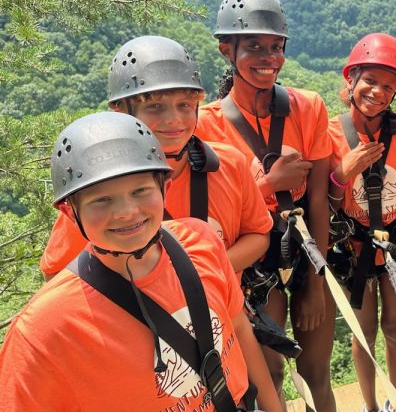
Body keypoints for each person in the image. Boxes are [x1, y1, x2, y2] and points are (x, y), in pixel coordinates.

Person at [0, 112, 279, 411]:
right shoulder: (44, 330)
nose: (126, 211)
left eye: (140, 190)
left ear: (164, 190)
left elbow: (238, 327)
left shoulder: (201, 242)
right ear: (71, 213)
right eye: (101, 200)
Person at [195, 0, 336, 411]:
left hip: (307, 250)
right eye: (254, 46)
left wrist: (316, 284)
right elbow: (216, 211)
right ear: (226, 50)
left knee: (316, 375)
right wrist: (268, 185)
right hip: (255, 264)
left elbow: (318, 200)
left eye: (276, 47)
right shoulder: (207, 126)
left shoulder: (307, 107)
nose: (268, 57)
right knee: (269, 376)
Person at [40, 35, 273, 282]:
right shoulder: (103, 185)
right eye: (155, 107)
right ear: (121, 110)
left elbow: (258, 234)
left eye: (184, 105)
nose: (173, 119)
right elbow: (58, 272)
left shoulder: (229, 164)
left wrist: (202, 272)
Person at [327, 33, 396, 412]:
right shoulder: (330, 135)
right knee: (363, 330)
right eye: (370, 81)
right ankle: (371, 406)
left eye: (388, 86)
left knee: (395, 326)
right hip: (355, 246)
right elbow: (327, 203)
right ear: (351, 80)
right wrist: (344, 171)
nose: (378, 92)